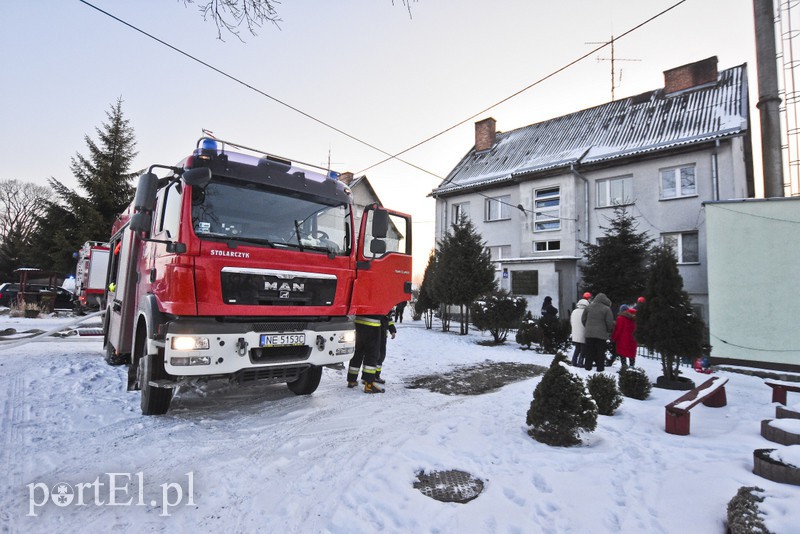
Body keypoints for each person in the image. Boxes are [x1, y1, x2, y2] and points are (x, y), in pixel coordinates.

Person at [347, 315, 385, 393]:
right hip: (373, 326)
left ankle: (352, 380)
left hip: (358, 324)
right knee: (371, 354)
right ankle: (369, 384)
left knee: (357, 353)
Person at [581, 293, 615, 372]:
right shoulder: (606, 309)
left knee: (589, 351)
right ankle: (600, 368)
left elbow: (583, 319)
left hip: (589, 334)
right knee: (600, 352)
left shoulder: (588, 307)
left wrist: (588, 327)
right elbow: (609, 322)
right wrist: (609, 330)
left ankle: (587, 367)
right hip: (601, 335)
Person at [371, 311, 397, 384]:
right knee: (373, 356)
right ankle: (369, 377)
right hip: (374, 336)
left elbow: (389, 320)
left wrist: (392, 331)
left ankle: (376, 376)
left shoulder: (386, 308)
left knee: (381, 356)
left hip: (382, 337)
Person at [570, 298, 590, 367]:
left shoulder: (574, 311)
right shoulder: (586, 312)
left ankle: (574, 361)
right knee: (583, 348)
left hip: (575, 332)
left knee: (577, 348)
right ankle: (580, 362)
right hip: (583, 332)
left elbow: (571, 322)